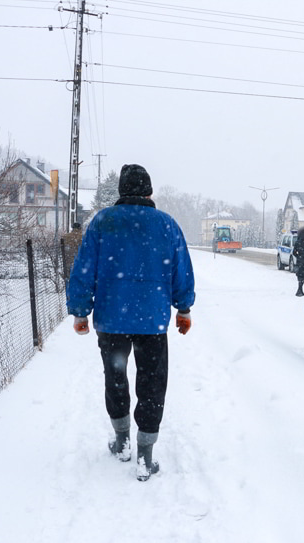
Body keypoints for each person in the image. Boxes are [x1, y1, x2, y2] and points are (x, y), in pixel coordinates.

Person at [66, 164, 195, 481]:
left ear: (122, 191)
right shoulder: (166, 224)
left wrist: (81, 311)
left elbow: (84, 268)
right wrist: (183, 309)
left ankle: (122, 441)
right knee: (152, 385)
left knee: (116, 377)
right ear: (149, 191)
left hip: (111, 319)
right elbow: (181, 268)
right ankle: (145, 456)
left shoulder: (103, 222)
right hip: (152, 321)